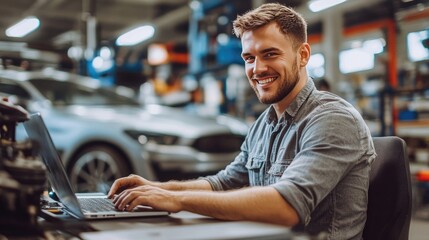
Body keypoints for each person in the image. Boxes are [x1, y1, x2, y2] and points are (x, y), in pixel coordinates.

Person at [108, 3, 376, 239]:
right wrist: (156, 188)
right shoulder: (264, 123)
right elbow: (224, 183)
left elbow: (288, 206)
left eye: (270, 54)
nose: (257, 69)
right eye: (249, 58)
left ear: (303, 55)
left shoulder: (332, 119)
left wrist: (175, 199)